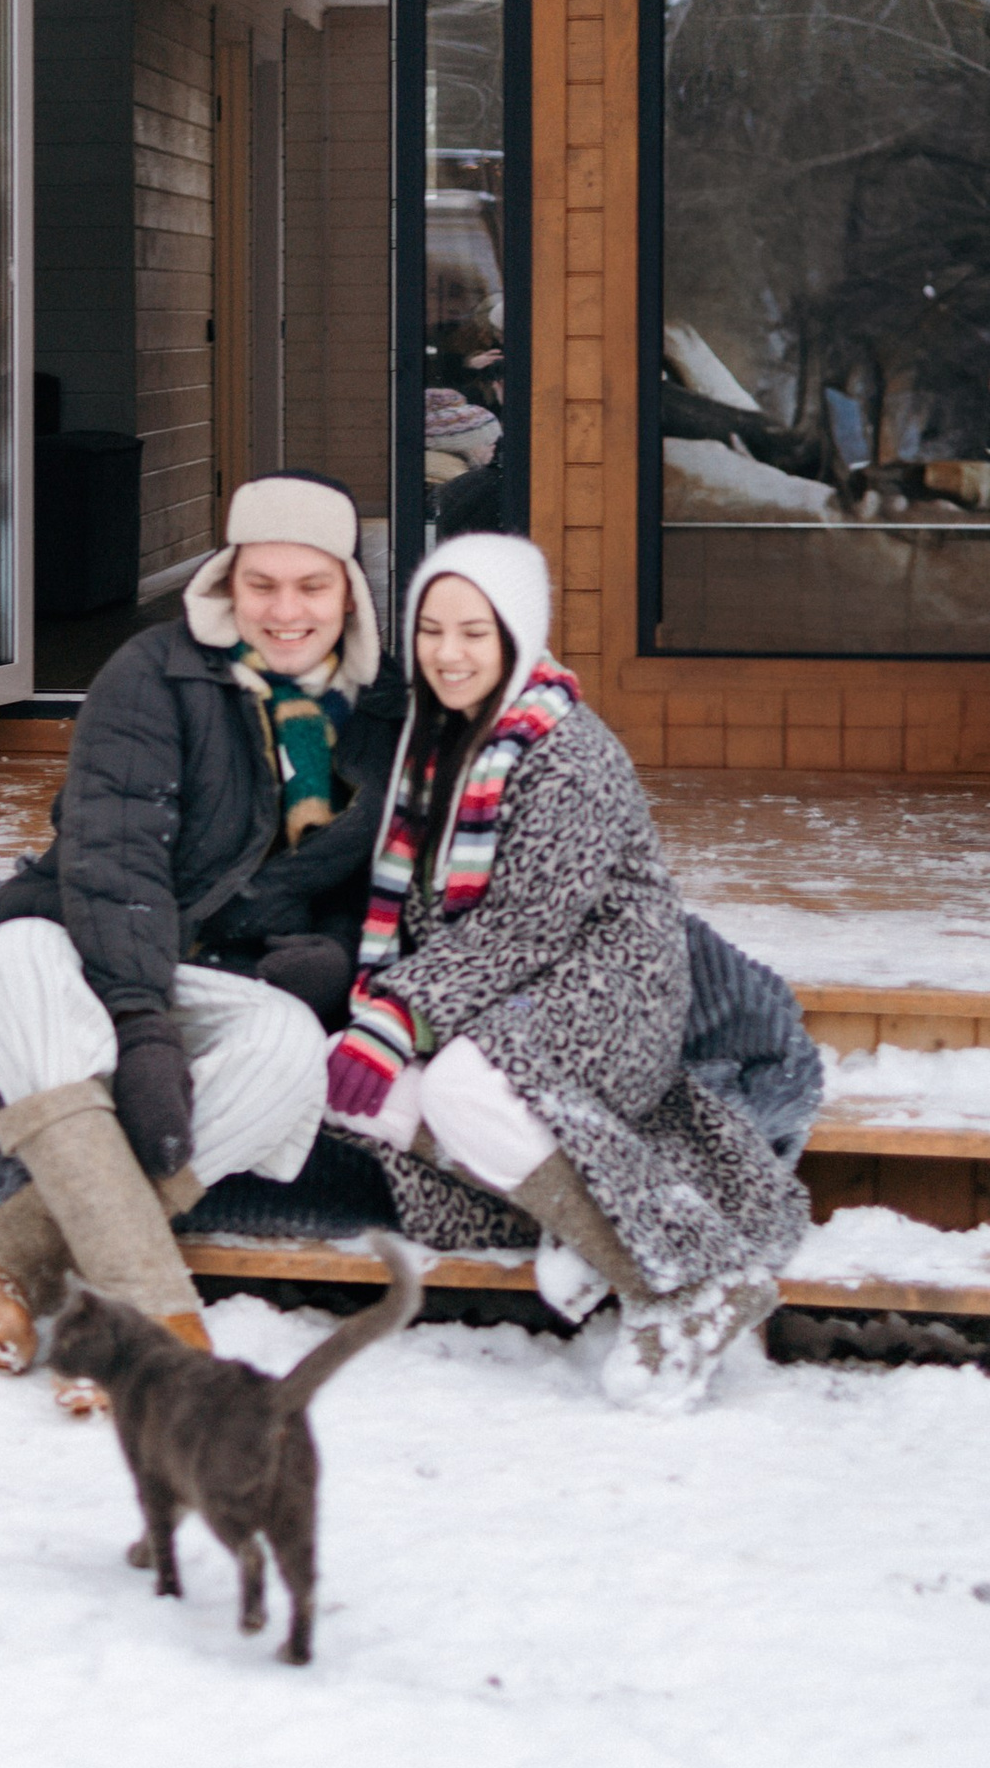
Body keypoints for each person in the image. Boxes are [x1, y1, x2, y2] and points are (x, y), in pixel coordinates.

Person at [0, 473, 405, 1376]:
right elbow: (113, 854)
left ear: (350, 590)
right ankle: (148, 1328)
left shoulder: (381, 717)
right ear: (227, 583)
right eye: (262, 584)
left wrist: (331, 954)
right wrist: (141, 1025)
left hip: (223, 969)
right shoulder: (154, 673)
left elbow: (375, 877)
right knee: (15, 959)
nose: (286, 610)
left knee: (291, 1048)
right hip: (86, 936)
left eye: (313, 586)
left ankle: (6, 1262)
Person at [322, 534, 808, 1407]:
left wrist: (398, 1020)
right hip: (499, 991)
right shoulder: (437, 741)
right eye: (431, 630)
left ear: (516, 634)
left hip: (611, 991)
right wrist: (383, 1026)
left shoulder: (566, 753)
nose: (448, 653)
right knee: (358, 1089)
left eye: (475, 632)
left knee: (457, 1089)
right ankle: (579, 1217)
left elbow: (523, 929)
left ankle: (684, 1281)